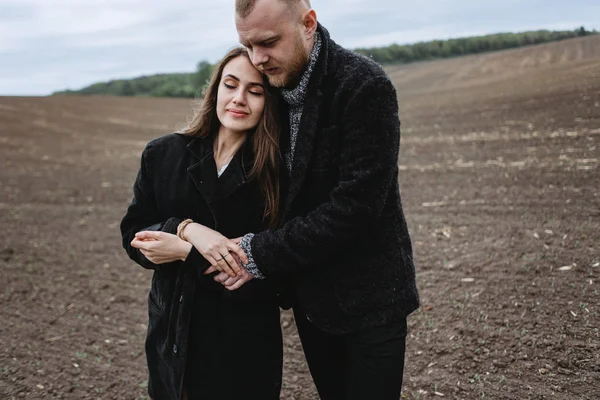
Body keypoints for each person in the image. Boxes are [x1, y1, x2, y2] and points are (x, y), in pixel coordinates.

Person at [214, 0, 420, 399]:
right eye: (248, 45)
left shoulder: (363, 86)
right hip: (311, 302)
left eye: (269, 42)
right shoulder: (269, 84)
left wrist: (256, 252)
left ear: (309, 23)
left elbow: (355, 209)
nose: (257, 58)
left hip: (370, 303)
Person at [120, 47, 285, 400]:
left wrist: (185, 252)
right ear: (215, 91)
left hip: (243, 344)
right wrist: (187, 227)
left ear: (270, 102)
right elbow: (133, 235)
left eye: (255, 91)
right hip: (171, 335)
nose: (239, 99)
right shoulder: (163, 154)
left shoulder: (278, 175)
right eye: (230, 85)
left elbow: (276, 273)